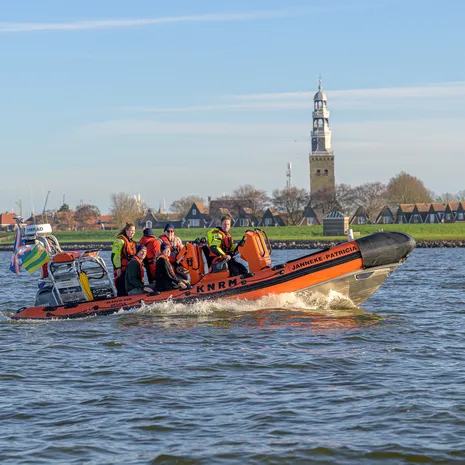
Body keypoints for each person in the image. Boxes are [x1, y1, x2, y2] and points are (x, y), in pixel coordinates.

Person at [111, 223, 137, 297]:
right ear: (126, 230)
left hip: (129, 269)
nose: (132, 232)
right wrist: (118, 268)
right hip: (121, 269)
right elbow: (115, 255)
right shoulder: (120, 241)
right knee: (121, 288)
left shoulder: (132, 242)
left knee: (129, 288)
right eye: (131, 230)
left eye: (134, 231)